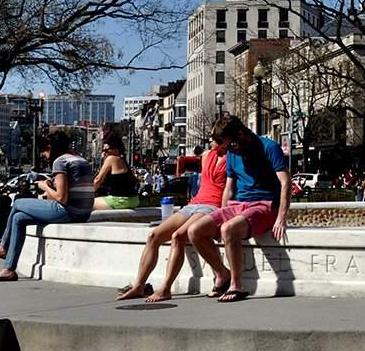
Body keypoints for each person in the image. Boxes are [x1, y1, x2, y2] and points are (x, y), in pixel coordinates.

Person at [187, 114, 290, 302]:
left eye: (231, 144)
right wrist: (221, 213)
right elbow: (229, 188)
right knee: (195, 231)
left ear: (242, 134)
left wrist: (281, 217)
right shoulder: (232, 154)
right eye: (226, 146)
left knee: (228, 229)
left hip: (264, 205)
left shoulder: (269, 147)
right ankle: (222, 274)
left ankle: (237, 285)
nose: (230, 150)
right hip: (238, 205)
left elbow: (285, 182)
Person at [116, 137, 228, 302]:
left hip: (212, 205)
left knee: (178, 236)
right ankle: (139, 286)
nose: (210, 140)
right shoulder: (207, 155)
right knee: (154, 236)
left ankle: (165, 288)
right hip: (195, 203)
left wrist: (224, 214)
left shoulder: (234, 158)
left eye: (215, 138)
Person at [0, 133, 94, 282]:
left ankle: (3, 247)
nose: (43, 155)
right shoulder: (80, 159)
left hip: (69, 211)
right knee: (19, 218)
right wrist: (52, 186)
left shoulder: (60, 162)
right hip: (84, 212)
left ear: (50, 148)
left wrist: (44, 186)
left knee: (18, 203)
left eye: (44, 151)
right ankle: (9, 269)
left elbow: (61, 198)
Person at [93, 135, 141, 210]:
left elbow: (98, 180)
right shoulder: (123, 161)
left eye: (106, 150)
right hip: (133, 200)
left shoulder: (111, 159)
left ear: (116, 149)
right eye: (103, 150)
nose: (104, 153)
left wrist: (86, 194)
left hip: (121, 200)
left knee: (87, 203)